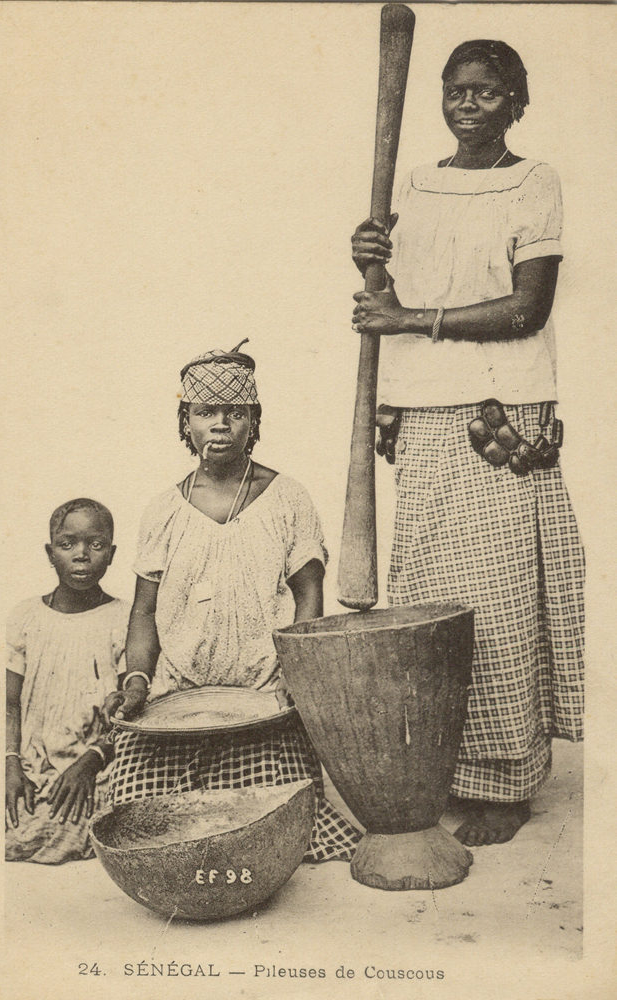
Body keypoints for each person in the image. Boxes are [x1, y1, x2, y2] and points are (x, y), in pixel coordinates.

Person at [350, 40, 584, 846]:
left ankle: (507, 781)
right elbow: (387, 299)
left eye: (486, 93)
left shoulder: (535, 182)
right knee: (428, 597)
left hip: (500, 408)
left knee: (502, 599)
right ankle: (441, 770)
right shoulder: (412, 183)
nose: (467, 105)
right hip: (420, 407)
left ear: (518, 99)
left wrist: (408, 319)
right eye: (455, 92)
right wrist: (371, 261)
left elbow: (528, 309)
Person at [103, 342, 360, 862]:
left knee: (272, 816)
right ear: (186, 422)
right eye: (205, 413)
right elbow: (143, 611)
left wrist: (295, 676)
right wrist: (136, 682)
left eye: (234, 412)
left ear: (253, 421)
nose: (219, 425)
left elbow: (309, 594)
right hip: (178, 699)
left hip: (262, 697)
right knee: (139, 815)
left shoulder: (287, 497)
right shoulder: (163, 510)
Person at [5, 498, 130, 863]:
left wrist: (91, 761)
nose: (81, 555)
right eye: (67, 544)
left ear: (111, 553)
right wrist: (10, 764)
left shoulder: (122, 618)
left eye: (95, 544)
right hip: (32, 766)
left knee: (85, 825)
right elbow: (8, 704)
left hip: (97, 766)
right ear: (50, 552)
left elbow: (133, 710)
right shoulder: (25, 616)